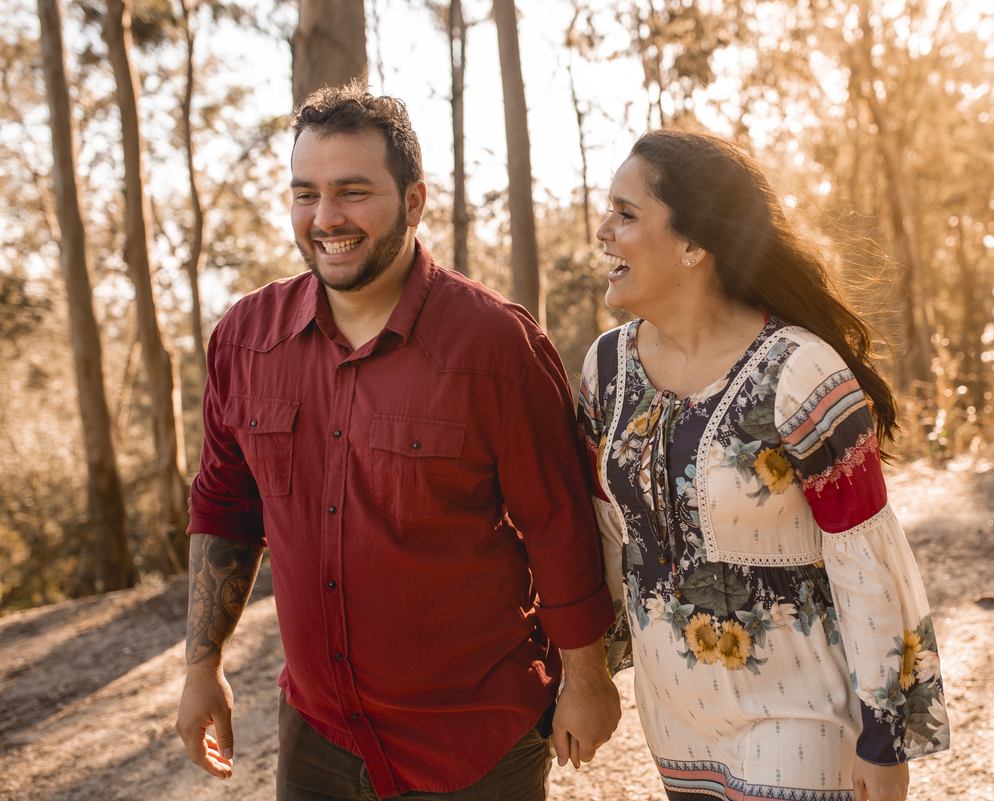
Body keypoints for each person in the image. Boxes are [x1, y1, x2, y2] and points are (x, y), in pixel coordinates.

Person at [175, 82, 621, 801]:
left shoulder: (495, 345)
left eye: (352, 192)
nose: (326, 218)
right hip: (317, 736)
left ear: (414, 202)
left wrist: (586, 677)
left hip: (474, 744)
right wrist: (202, 667)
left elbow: (558, 523)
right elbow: (226, 507)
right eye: (305, 194)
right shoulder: (245, 339)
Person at [577, 130, 949, 801]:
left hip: (799, 713)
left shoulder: (801, 371)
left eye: (626, 214)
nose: (603, 232)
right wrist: (584, 674)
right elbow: (606, 533)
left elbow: (866, 557)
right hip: (675, 715)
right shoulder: (605, 370)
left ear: (694, 244)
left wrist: (885, 734)